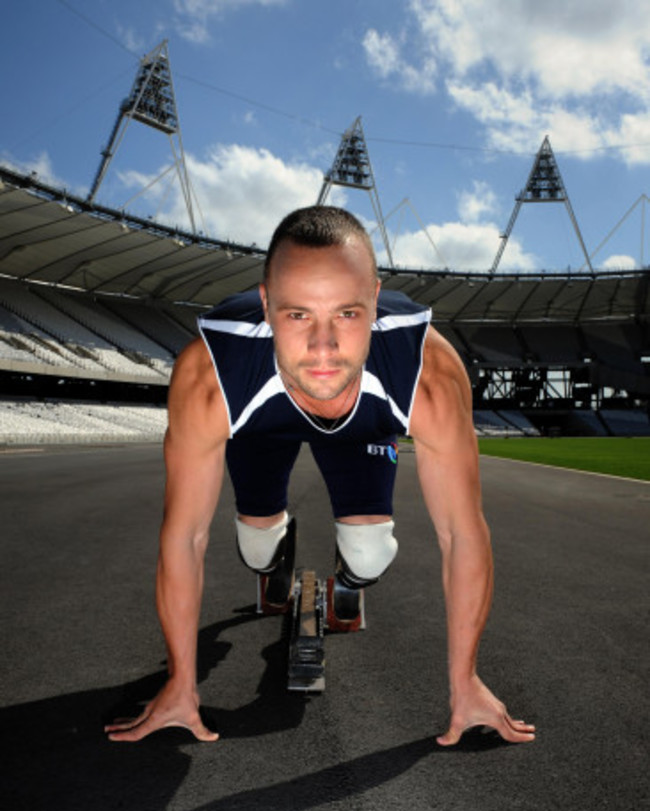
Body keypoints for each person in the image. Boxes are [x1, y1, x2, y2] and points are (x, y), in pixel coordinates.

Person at [105, 205, 535, 746]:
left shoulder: (427, 371)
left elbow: (462, 531)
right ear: (266, 305)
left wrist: (465, 679)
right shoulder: (212, 372)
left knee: (371, 554)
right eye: (298, 315)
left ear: (375, 301)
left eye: (348, 315)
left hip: (362, 428)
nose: (324, 347)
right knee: (255, 551)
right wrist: (181, 684)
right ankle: (278, 555)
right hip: (261, 429)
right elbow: (184, 537)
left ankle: (347, 581)